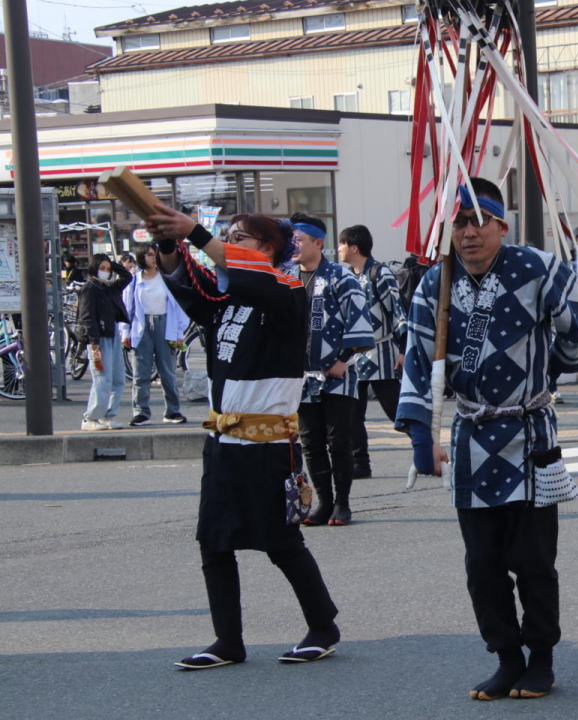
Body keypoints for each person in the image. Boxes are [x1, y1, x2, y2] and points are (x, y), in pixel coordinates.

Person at [397, 178, 578, 701]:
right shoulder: (434, 283)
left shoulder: (537, 267)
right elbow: (420, 362)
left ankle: (542, 658)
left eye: (478, 221)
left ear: (501, 225)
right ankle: (506, 657)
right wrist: (424, 435)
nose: (468, 233)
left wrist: (546, 373)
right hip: (470, 438)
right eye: (459, 223)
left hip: (530, 432)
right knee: (481, 564)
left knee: (534, 561)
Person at [144, 207, 342, 669]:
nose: (229, 245)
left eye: (241, 238)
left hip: (267, 441)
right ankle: (227, 640)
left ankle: (323, 625)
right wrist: (171, 244)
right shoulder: (227, 300)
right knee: (213, 541)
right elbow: (192, 291)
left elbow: (247, 276)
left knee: (280, 541)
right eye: (228, 237)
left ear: (269, 250)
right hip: (223, 439)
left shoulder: (287, 290)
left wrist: (195, 232)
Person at [288, 214, 374, 526]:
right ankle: (323, 502)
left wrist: (344, 358)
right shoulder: (287, 278)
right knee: (310, 441)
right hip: (302, 377)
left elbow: (360, 321)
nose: (293, 246)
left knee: (338, 440)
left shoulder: (340, 276)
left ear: (317, 243)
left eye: (298, 240)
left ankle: (343, 502)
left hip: (339, 372)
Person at [337, 225, 406, 480]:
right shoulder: (346, 276)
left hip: (383, 353)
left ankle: (425, 449)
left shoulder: (380, 273)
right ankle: (360, 464)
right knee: (354, 414)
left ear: (354, 247)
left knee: (395, 409)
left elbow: (398, 312)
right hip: (354, 356)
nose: (339, 249)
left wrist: (403, 349)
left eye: (342, 244)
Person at [121, 244, 189, 426]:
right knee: (140, 373)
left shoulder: (167, 279)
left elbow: (179, 307)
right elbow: (126, 309)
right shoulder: (134, 281)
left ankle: (172, 412)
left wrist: (179, 332)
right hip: (141, 328)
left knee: (168, 372)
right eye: (149, 255)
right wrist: (125, 332)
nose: (153, 258)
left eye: (155, 255)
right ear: (141, 258)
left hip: (165, 325)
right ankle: (141, 412)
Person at [77, 253, 132, 431]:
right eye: (102, 268)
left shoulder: (110, 287)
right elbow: (87, 317)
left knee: (118, 379)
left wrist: (113, 264)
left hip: (113, 334)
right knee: (102, 379)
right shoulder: (89, 288)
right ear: (93, 268)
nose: (106, 272)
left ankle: (108, 416)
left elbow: (127, 276)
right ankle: (91, 418)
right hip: (98, 339)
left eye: (108, 269)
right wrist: (94, 342)